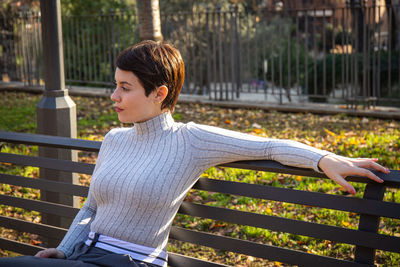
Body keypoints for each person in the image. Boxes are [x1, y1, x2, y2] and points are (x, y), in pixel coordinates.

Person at [0, 40, 389, 267]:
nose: (113, 96)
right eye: (114, 85)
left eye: (125, 87)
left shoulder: (190, 140)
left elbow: (269, 145)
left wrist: (324, 159)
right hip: (85, 257)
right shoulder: (114, 139)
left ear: (159, 93)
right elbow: (91, 208)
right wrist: (64, 251)